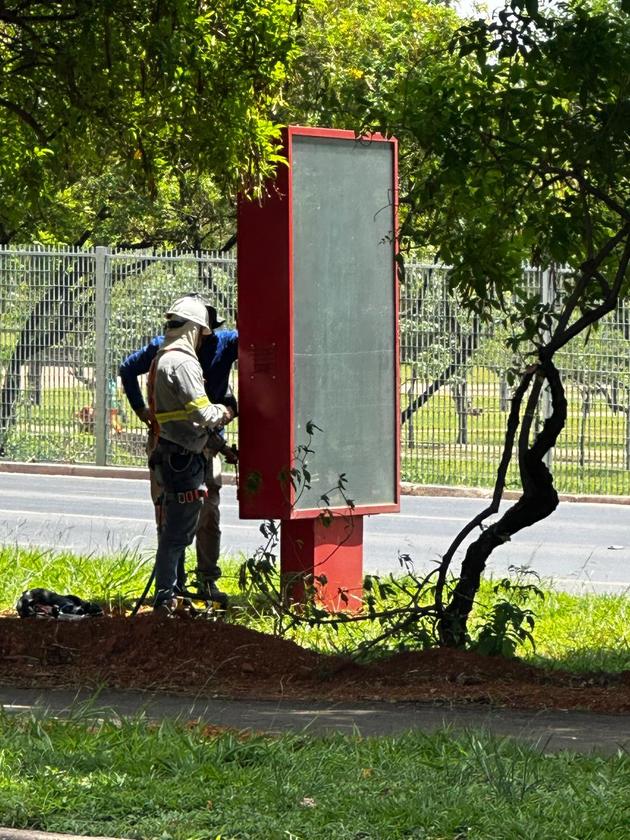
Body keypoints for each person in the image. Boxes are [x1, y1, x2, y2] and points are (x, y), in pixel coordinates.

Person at [119, 293, 238, 603]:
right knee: (173, 519)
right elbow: (127, 369)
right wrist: (143, 411)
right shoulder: (173, 354)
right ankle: (172, 590)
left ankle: (203, 583)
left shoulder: (218, 345)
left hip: (201, 443)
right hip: (176, 444)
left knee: (205, 514)